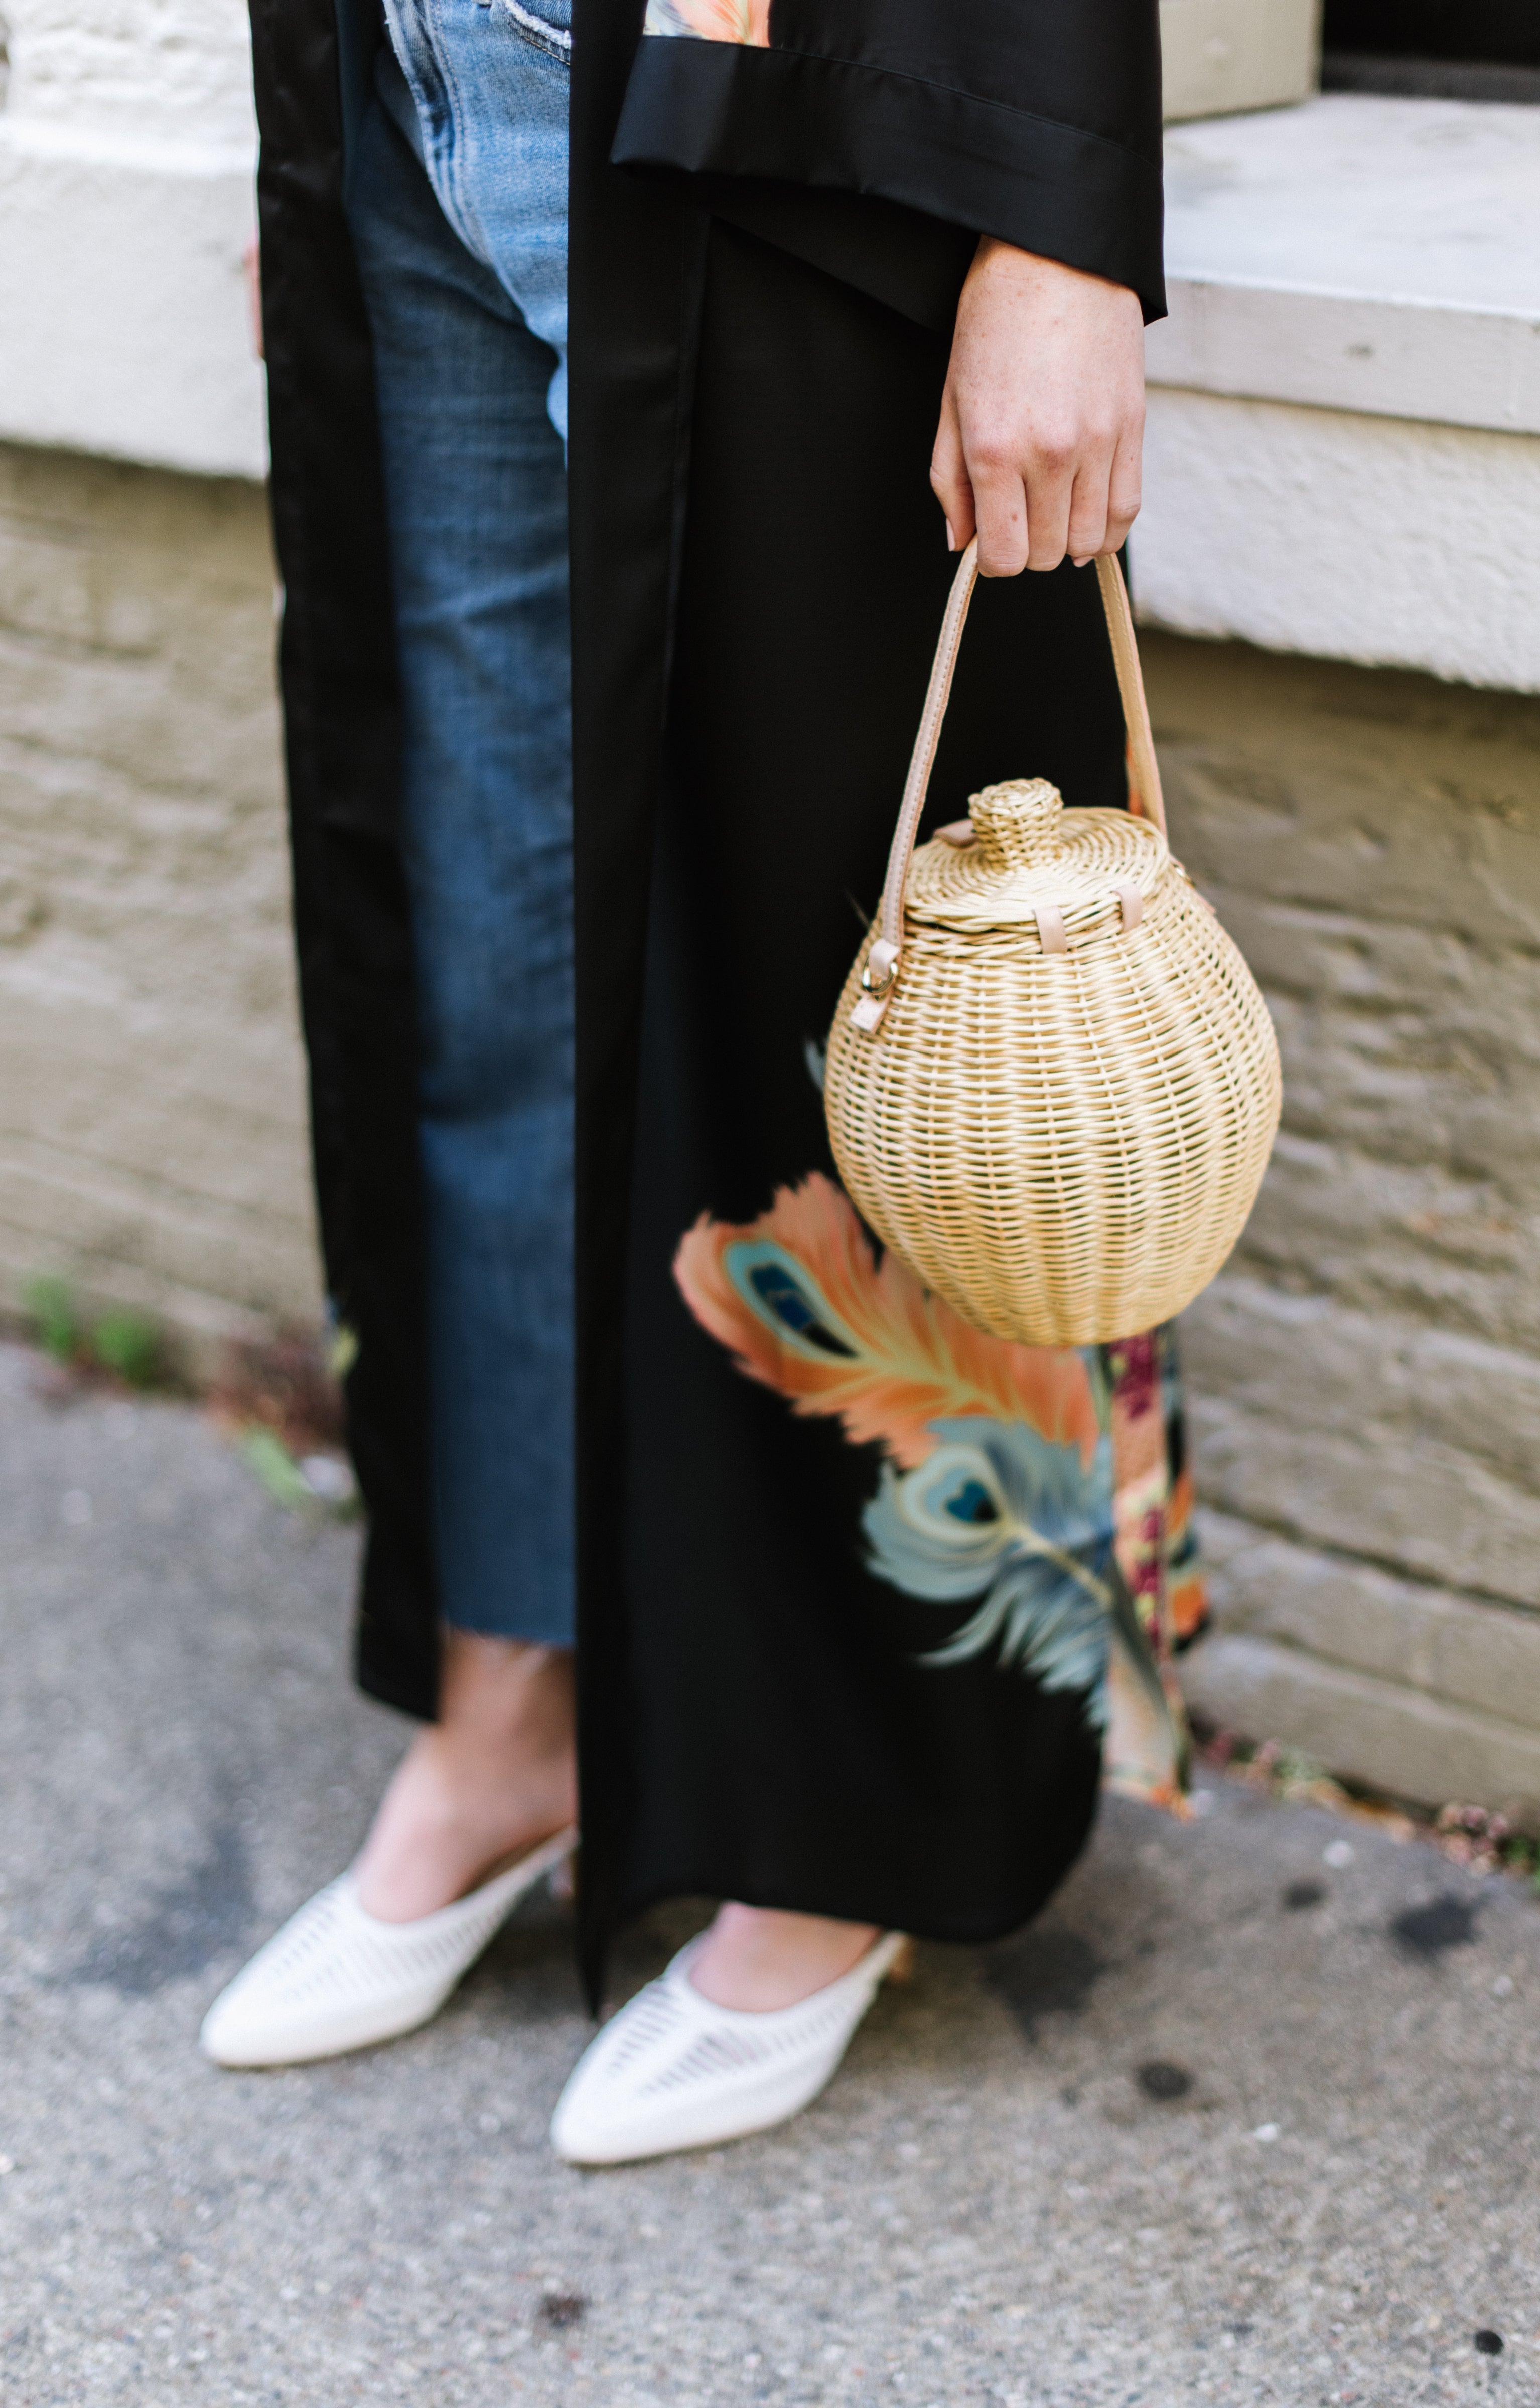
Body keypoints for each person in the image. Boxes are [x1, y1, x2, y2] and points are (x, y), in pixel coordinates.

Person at [202, 0, 1207, 2162]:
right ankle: (513, 1709)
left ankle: (840, 1827)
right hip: (425, 87)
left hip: (805, 105)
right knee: (475, 966)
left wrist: (1056, 227)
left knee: (837, 1009)